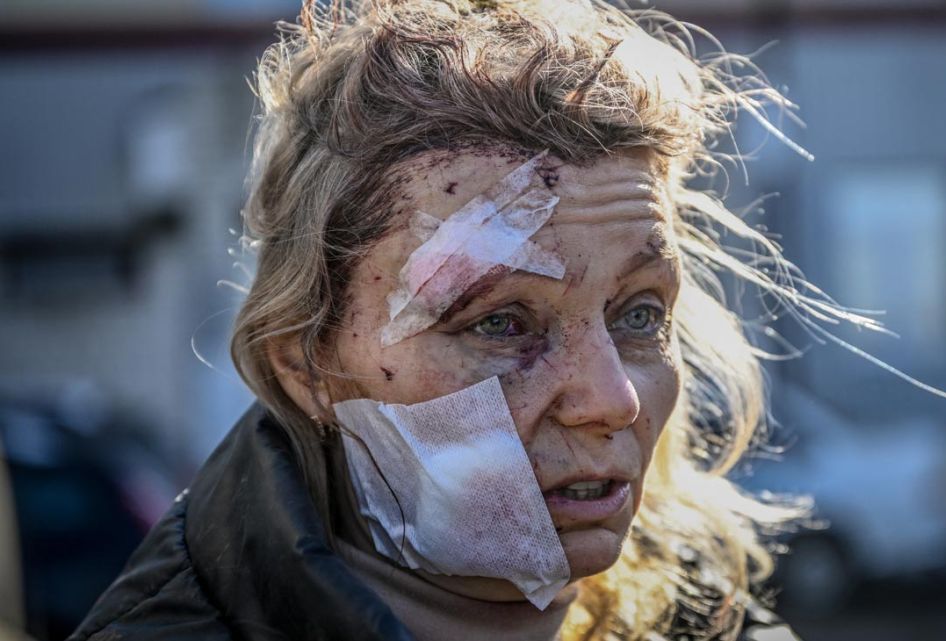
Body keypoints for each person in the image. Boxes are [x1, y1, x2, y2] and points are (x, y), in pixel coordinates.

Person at [68, 1, 870, 639]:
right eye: (500, 324)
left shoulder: (701, 619)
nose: (613, 399)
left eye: (638, 312)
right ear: (304, 365)